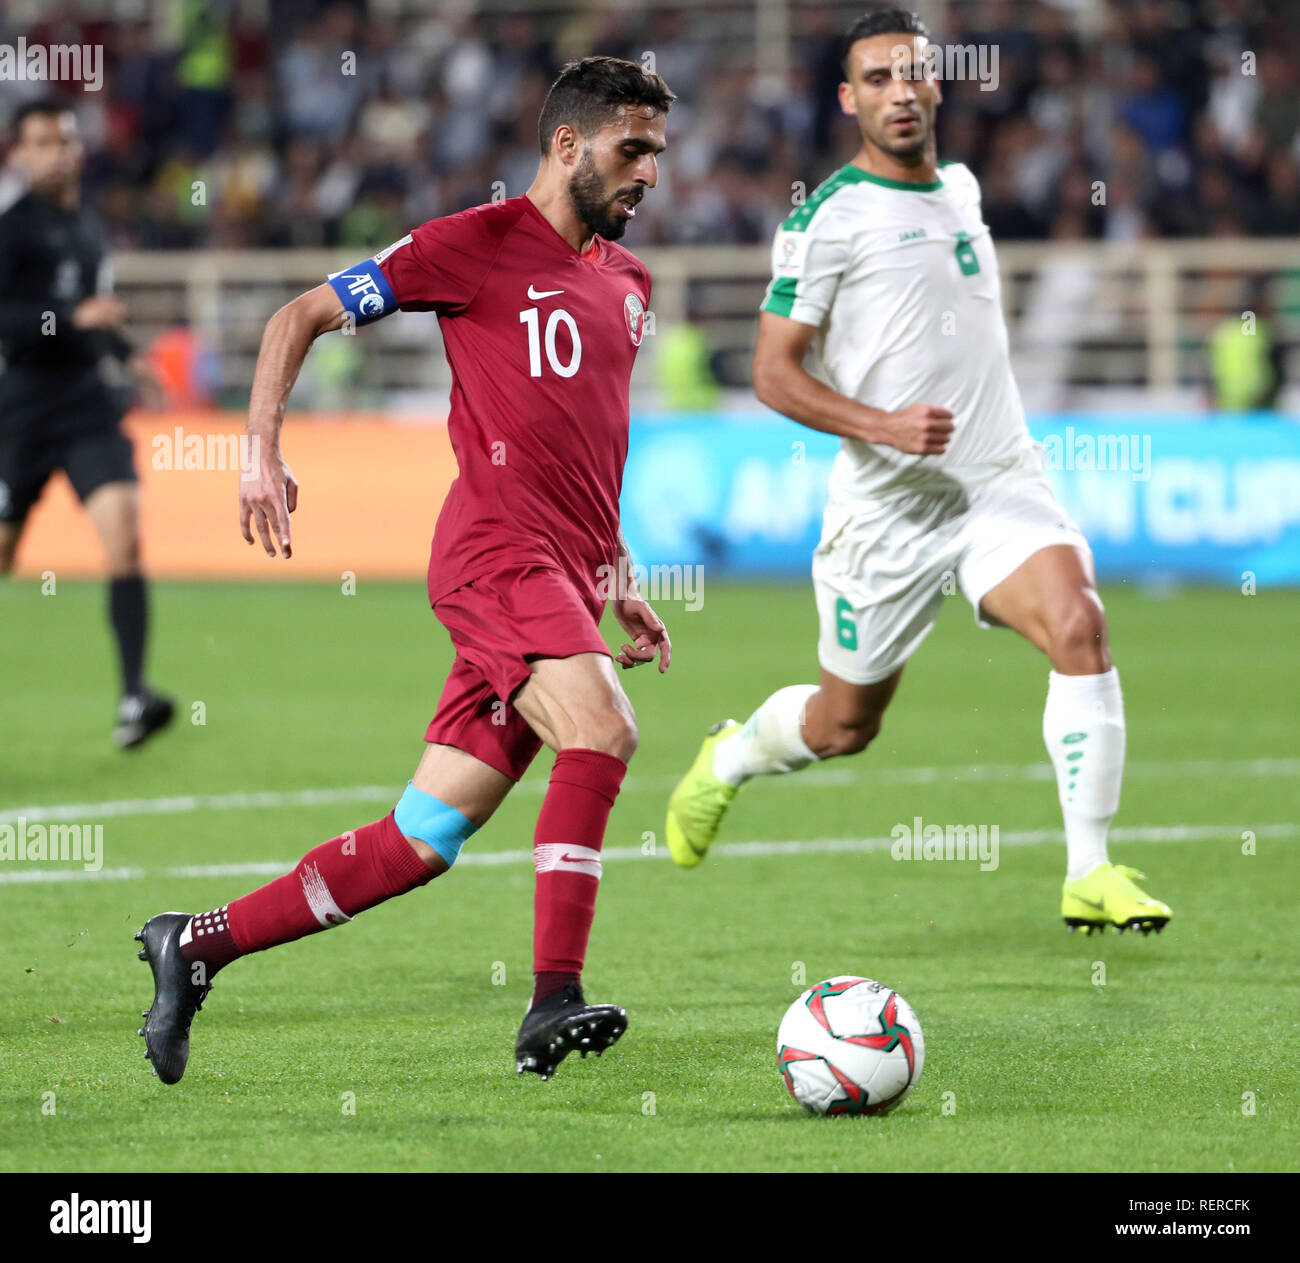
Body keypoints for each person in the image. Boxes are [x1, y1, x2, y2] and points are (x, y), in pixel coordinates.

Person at [135, 57, 675, 1084]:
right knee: (602, 728)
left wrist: (618, 575)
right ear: (567, 145)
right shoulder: (467, 248)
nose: (649, 172)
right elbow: (297, 316)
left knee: (422, 836)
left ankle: (194, 944)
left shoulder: (630, 284)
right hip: (493, 558)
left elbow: (586, 444)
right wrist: (260, 448)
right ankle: (550, 999)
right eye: (631, 148)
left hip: (562, 572)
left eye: (656, 150)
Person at [665, 11, 1172, 938]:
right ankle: (730, 757)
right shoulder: (826, 220)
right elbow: (772, 372)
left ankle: (1088, 868)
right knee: (844, 727)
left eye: (913, 75)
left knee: (1080, 624)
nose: (900, 92)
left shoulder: (965, 190)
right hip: (887, 513)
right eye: (878, 79)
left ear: (936, 85)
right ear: (848, 98)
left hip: (996, 484)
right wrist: (882, 425)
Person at [0, 100, 173, 749]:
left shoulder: (87, 226)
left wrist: (129, 357)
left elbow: (92, 315)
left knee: (124, 533)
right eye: (40, 142)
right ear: (20, 153)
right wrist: (69, 316)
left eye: (63, 140)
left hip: (85, 404)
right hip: (21, 407)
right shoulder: (13, 229)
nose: (54, 152)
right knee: (6, 554)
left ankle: (135, 696)